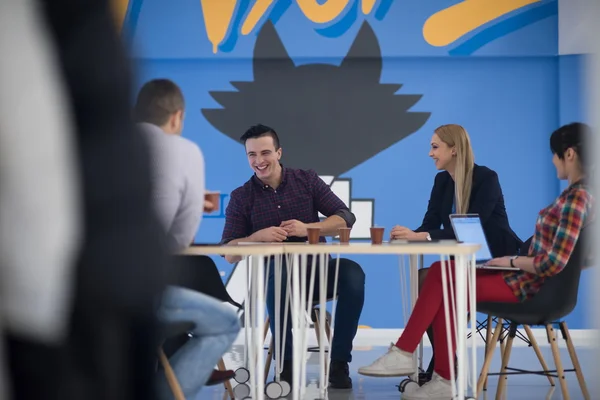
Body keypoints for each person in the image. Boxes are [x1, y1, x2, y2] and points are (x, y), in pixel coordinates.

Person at [358, 122, 594, 400]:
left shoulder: (576, 198)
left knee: (440, 276)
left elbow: (552, 264)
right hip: (520, 276)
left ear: (568, 155)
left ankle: (415, 359)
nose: (553, 161)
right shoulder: (574, 197)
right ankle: (435, 373)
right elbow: (571, 256)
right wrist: (416, 234)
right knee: (440, 275)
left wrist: (511, 261)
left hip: (528, 285)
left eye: (554, 154)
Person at [221, 124, 366, 389]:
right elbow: (229, 253)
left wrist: (310, 228)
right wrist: (257, 237)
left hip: (318, 272)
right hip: (277, 279)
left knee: (353, 272)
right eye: (252, 155)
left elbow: (346, 217)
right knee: (280, 269)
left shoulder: (306, 180)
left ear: (279, 152)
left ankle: (338, 364)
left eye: (265, 153)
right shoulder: (241, 197)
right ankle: (286, 368)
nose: (259, 161)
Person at [388, 124, 521, 382]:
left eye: (435, 147)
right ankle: (446, 366)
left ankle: (441, 367)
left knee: (431, 282)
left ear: (454, 149)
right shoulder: (441, 180)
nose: (430, 153)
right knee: (423, 281)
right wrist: (407, 235)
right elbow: (430, 224)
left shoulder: (486, 178)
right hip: (459, 265)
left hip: (495, 262)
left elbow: (472, 226)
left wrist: (421, 236)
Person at [134, 79, 240, 399]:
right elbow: (180, 239)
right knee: (225, 322)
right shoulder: (184, 150)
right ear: (177, 117)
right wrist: (191, 202)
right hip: (136, 291)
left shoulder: (101, 142)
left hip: (72, 288)